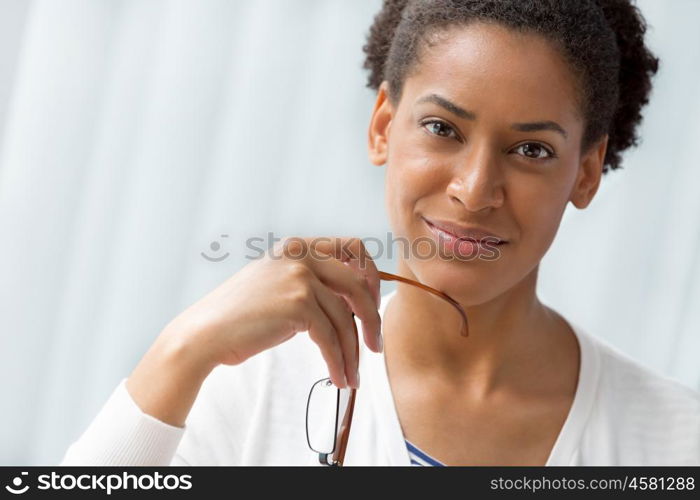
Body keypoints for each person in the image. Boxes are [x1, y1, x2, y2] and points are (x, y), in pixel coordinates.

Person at [60, 0, 700, 466]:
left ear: (586, 173)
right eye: (443, 130)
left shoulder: (676, 443)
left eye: (531, 150)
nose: (475, 190)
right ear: (382, 126)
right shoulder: (243, 384)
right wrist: (181, 351)